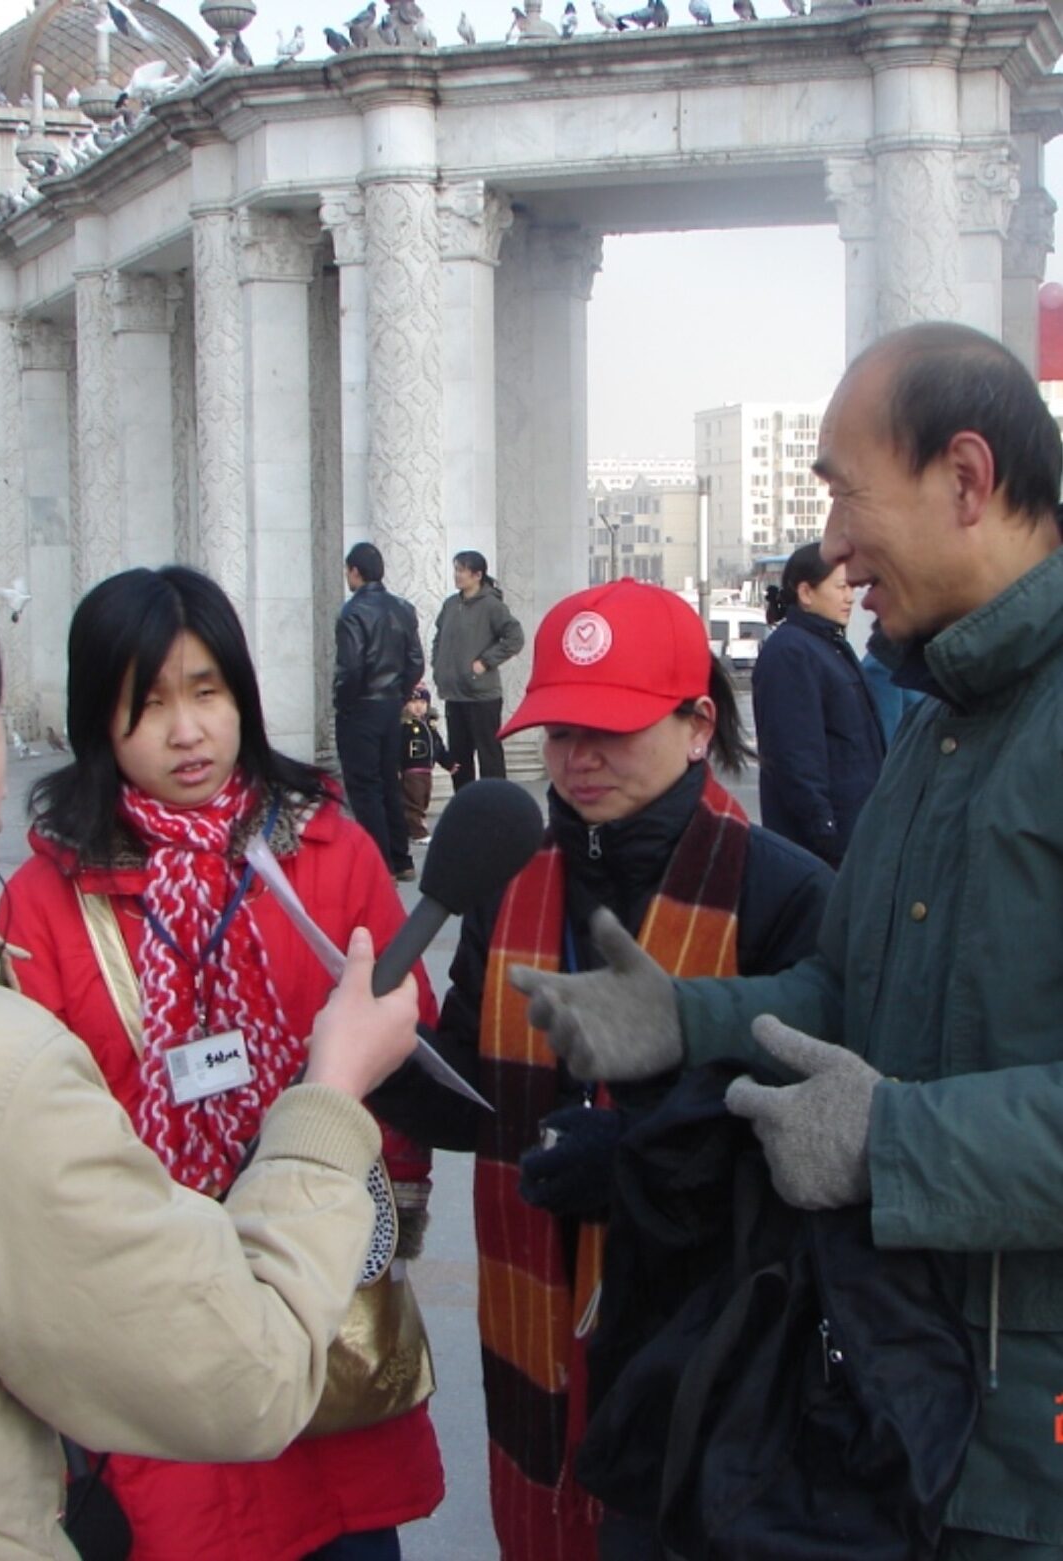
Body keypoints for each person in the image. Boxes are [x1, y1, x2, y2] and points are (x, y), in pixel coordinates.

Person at [508, 323, 1063, 1561]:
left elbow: (889, 1106)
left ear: (963, 479)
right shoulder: (936, 731)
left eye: (838, 489)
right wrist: (683, 1018)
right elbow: (848, 989)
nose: (828, 545)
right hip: (898, 1407)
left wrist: (889, 1138)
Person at [0, 528, 421, 1559]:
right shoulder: (44, 897)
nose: (186, 730)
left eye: (207, 691)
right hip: (145, 1311)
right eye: (148, 700)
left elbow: (397, 1053)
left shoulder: (324, 844)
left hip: (316, 1305)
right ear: (96, 719)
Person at [373, 579, 832, 1561]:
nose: (576, 760)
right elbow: (481, 1092)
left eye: (610, 730)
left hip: (709, 1357)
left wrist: (640, 1152)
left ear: (698, 723)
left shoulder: (783, 894)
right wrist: (385, 1060)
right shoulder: (507, 882)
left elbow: (818, 1141)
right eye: (561, 730)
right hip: (533, 1345)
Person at [752, 542, 886, 866]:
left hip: (856, 835)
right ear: (806, 593)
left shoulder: (829, 646)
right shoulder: (791, 652)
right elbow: (795, 756)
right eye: (840, 588)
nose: (849, 598)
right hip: (823, 849)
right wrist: (825, 834)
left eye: (851, 588)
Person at [334, 542, 424, 882]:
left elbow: (351, 667)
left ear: (355, 571)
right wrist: (398, 694)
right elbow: (415, 660)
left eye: (348, 571)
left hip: (362, 706)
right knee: (389, 780)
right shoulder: (402, 608)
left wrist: (345, 702)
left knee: (364, 785)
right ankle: (401, 859)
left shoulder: (353, 612)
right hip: (389, 705)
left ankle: (378, 861)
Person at [431, 550, 524, 790]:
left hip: (482, 695)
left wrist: (485, 662)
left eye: (462, 570)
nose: (457, 575)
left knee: (488, 754)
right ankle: (465, 805)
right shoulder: (451, 604)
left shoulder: (492, 605)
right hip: (454, 693)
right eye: (456, 570)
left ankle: (496, 805)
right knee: (459, 757)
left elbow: (515, 637)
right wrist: (437, 665)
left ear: (477, 575)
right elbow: (439, 639)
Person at [399, 684, 455, 843]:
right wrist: (396, 767)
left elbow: (438, 747)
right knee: (413, 801)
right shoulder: (404, 727)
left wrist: (448, 763)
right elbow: (396, 748)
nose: (418, 706)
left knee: (423, 799)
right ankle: (418, 832)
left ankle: (412, 826)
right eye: (414, 702)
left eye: (422, 703)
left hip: (426, 770)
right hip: (411, 770)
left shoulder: (429, 726)